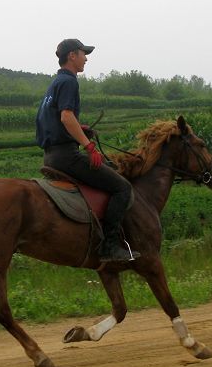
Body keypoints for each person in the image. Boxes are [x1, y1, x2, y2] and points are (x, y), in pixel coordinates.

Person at [36, 39, 139, 262]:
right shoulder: (69, 82)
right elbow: (65, 116)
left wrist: (78, 129)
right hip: (66, 156)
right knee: (122, 187)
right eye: (84, 54)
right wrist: (88, 145)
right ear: (72, 56)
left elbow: (55, 119)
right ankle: (109, 247)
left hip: (51, 155)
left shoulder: (55, 83)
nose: (86, 58)